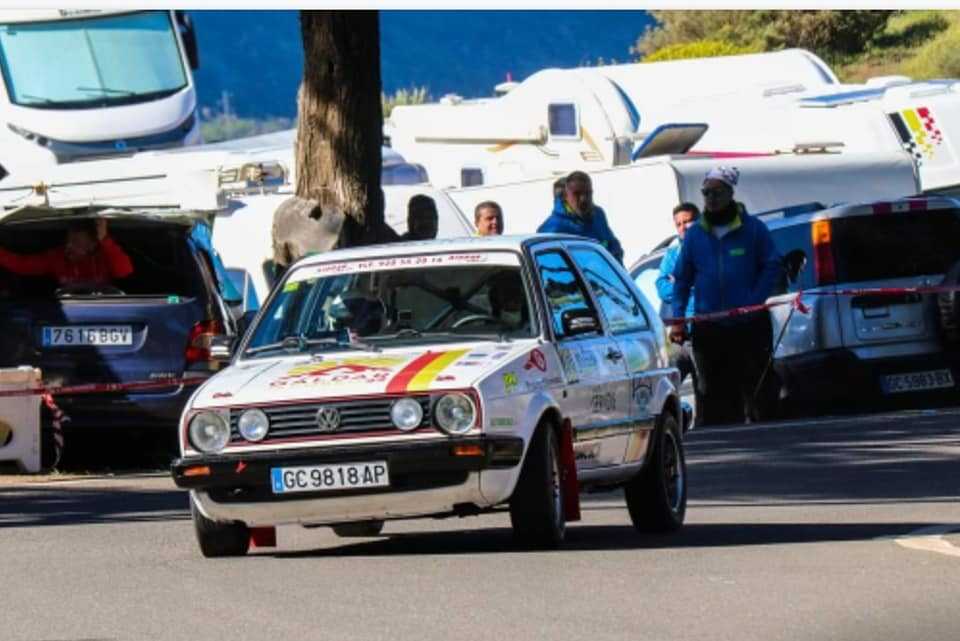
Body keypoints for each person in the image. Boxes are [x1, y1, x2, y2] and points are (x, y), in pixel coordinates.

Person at [668, 167, 782, 425]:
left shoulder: (753, 229)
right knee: (714, 397)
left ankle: (766, 440)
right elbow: (682, 280)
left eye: (717, 192)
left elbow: (772, 264)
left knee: (758, 395)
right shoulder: (695, 235)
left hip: (749, 326)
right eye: (706, 192)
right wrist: (678, 319)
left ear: (730, 193)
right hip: (709, 328)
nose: (711, 198)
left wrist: (755, 300)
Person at [656, 203, 701, 417]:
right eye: (679, 224)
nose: (683, 227)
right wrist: (685, 285)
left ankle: (706, 426)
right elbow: (661, 287)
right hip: (679, 335)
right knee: (666, 385)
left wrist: (682, 284)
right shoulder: (673, 253)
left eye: (687, 222)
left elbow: (708, 285)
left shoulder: (708, 249)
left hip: (703, 329)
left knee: (705, 388)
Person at [0, 218, 133, 287]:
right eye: (68, 240)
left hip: (104, 311)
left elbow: (124, 271)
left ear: (92, 245)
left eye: (75, 242)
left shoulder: (105, 254)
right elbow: (22, 265)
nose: (68, 246)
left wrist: (105, 240)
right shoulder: (57, 257)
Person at [537, 170, 624, 263]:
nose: (583, 199)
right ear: (565, 196)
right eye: (577, 194)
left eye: (588, 193)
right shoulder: (552, 229)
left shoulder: (598, 215)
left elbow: (614, 247)